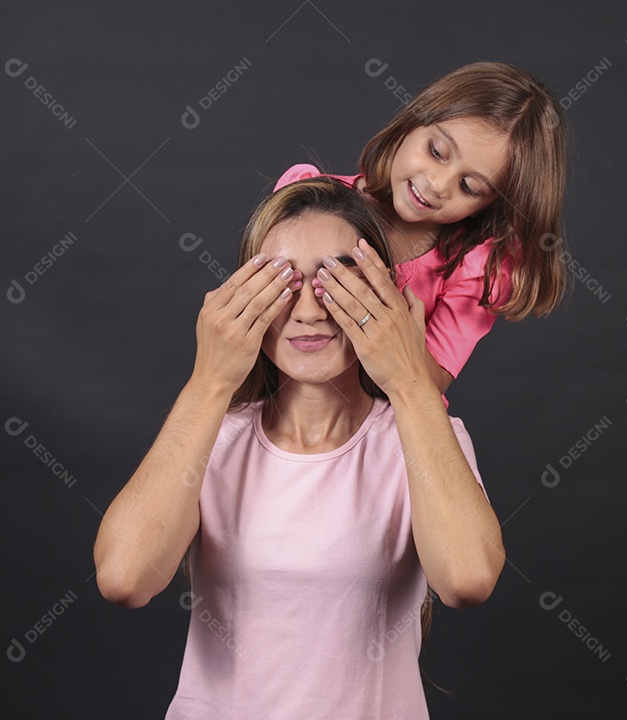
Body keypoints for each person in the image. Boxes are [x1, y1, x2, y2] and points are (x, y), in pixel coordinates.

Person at [93, 177, 506, 719]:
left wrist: (408, 379)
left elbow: (467, 579)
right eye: (282, 282)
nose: (309, 311)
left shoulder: (422, 437)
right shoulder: (213, 436)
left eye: (337, 281)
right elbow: (125, 578)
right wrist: (210, 381)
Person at [276, 61, 569, 398]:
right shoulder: (308, 196)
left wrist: (387, 316)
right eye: (436, 151)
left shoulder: (476, 268)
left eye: (470, 186)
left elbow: (427, 386)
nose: (437, 184)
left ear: (491, 205)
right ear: (413, 122)